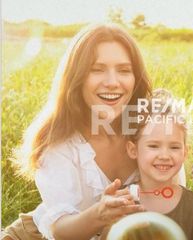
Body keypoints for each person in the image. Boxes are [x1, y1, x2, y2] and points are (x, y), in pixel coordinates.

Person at [3, 23, 154, 240]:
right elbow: (60, 230)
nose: (112, 82)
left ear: (136, 78)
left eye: (124, 70)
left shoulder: (152, 128)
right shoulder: (58, 141)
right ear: (77, 77)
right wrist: (100, 214)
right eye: (97, 69)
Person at [122, 91, 193, 240]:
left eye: (174, 147)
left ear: (185, 152)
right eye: (153, 146)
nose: (165, 156)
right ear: (133, 150)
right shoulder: (120, 202)